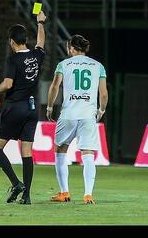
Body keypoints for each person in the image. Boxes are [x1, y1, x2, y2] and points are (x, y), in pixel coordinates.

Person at [0, 11, 47, 205]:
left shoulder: (12, 60)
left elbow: (7, 84)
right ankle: (27, 196)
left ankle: (16, 183)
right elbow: (41, 43)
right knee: (27, 151)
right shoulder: (36, 55)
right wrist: (40, 23)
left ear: (12, 42)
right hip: (32, 109)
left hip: (15, 107)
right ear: (25, 40)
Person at [46, 34, 108, 205]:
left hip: (68, 115)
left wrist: (50, 107)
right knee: (88, 154)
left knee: (60, 151)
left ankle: (64, 192)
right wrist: (101, 109)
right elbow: (103, 93)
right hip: (88, 115)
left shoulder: (63, 65)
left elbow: (54, 86)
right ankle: (88, 194)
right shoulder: (98, 66)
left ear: (72, 48)